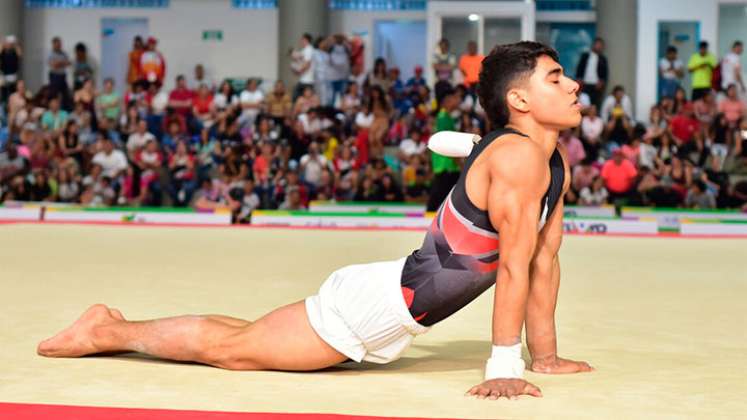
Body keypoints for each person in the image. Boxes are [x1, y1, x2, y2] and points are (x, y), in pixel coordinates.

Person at [37, 42, 592, 400]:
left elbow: (545, 261)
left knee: (245, 337)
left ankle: (110, 323)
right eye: (556, 77)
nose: (573, 86)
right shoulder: (518, 158)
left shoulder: (549, 159)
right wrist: (502, 365)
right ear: (518, 98)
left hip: (391, 301)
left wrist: (542, 356)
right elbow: (514, 266)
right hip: (376, 306)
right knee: (233, 352)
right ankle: (106, 331)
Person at [575, 37, 608, 108]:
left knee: (594, 104)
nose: (599, 47)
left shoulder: (603, 59)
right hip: (584, 84)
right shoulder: (585, 56)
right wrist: (579, 79)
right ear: (593, 45)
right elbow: (579, 68)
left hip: (596, 85)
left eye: (601, 45)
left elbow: (605, 73)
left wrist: (602, 82)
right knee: (583, 102)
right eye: (597, 44)